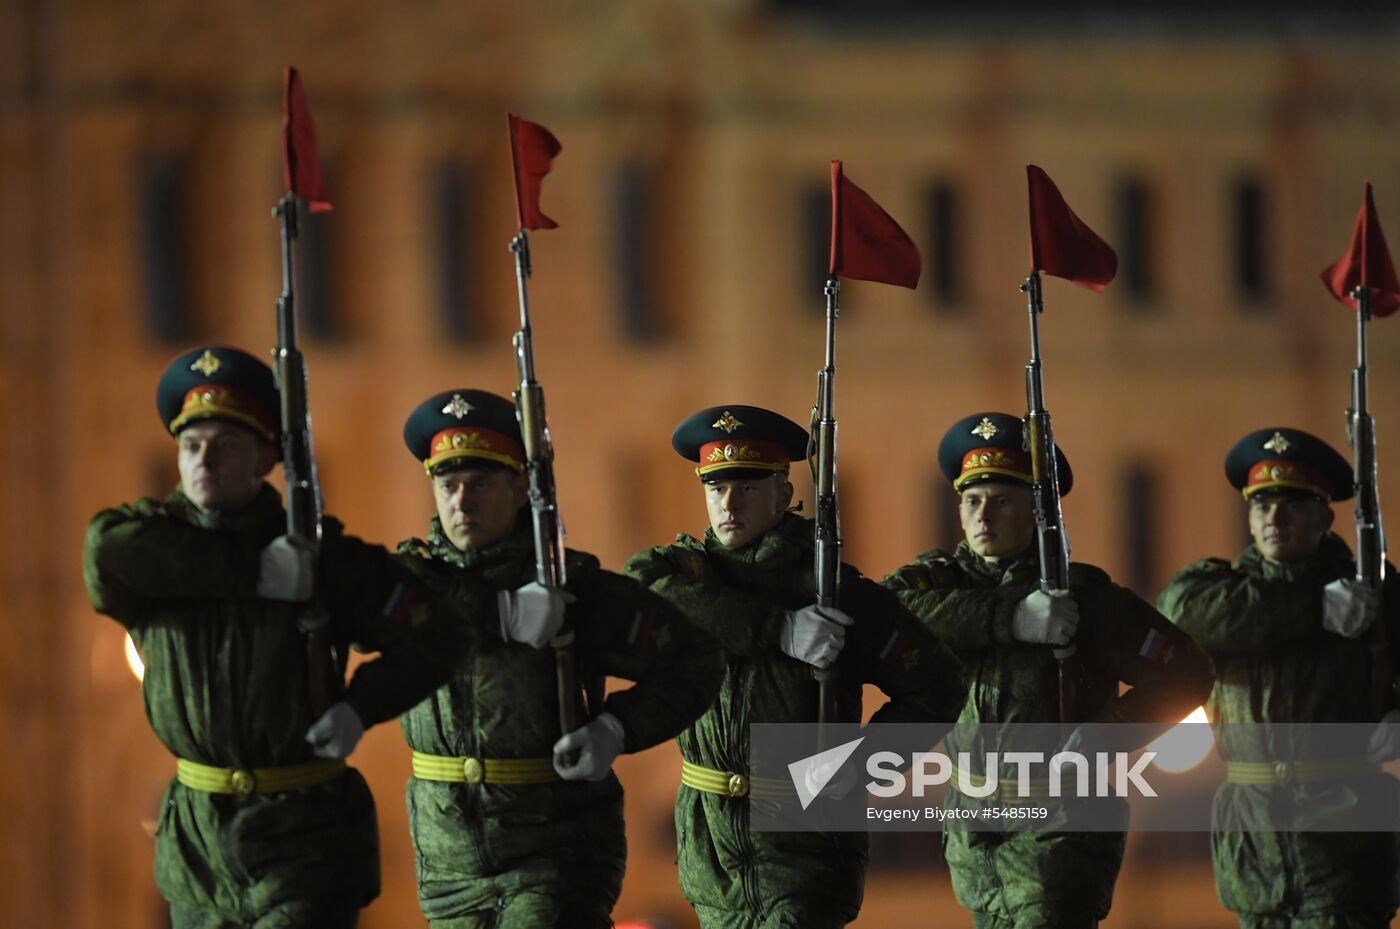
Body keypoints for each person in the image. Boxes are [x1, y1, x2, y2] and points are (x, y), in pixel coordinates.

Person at [83, 346, 482, 928]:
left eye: (227, 446)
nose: (205, 462)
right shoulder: (154, 549)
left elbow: (442, 632)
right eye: (191, 447)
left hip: (304, 838)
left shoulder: (324, 562)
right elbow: (104, 552)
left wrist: (360, 708)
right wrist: (256, 573)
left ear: (267, 457)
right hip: (198, 844)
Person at [624, 404, 965, 929]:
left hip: (805, 850)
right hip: (710, 855)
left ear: (783, 496)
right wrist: (778, 629)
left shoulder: (836, 594)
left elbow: (938, 687)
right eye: (717, 488)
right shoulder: (684, 576)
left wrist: (851, 769)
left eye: (748, 488)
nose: (728, 503)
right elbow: (644, 591)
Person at [394, 388, 721, 929]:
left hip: (555, 854)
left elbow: (696, 661)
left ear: (522, 487)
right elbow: (368, 611)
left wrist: (615, 729)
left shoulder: (575, 592)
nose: (462, 502)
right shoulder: (410, 582)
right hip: (446, 866)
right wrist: (498, 614)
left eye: (480, 484)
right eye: (447, 485)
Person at [882, 411, 1212, 929]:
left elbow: (1187, 673)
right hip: (972, 823)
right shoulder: (940, 584)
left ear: (1037, 512)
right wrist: (1009, 617)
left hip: (1060, 820)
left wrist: (1104, 736)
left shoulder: (1082, 599)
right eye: (972, 500)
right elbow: (887, 615)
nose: (983, 515)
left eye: (1003, 501)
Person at [1157, 426, 1400, 929]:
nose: (1274, 518)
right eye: (1262, 505)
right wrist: (1312, 608)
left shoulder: (1372, 591)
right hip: (1253, 845)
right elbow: (1179, 612)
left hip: (1344, 840)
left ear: (1324, 516)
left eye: (1292, 505)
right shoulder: (1219, 590)